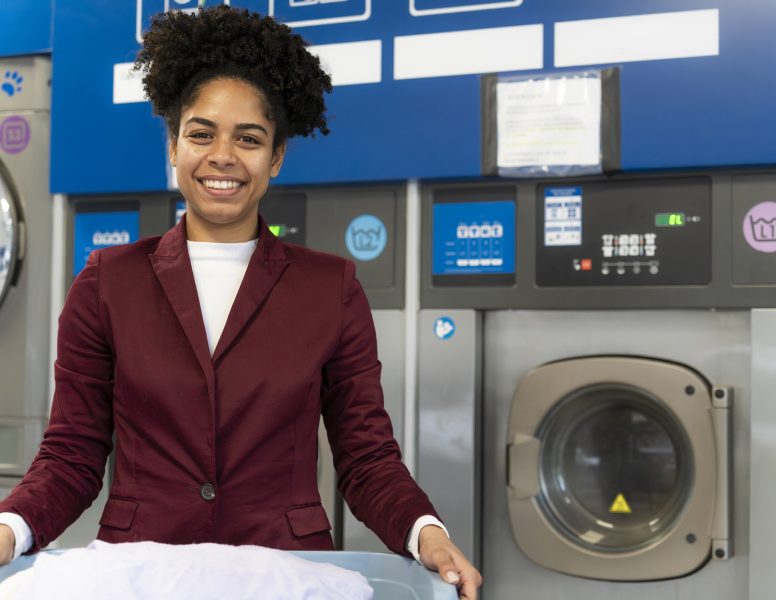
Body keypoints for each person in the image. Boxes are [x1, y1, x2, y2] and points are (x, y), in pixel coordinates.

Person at [0, 5, 482, 599]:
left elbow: (366, 456)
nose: (222, 156)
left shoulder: (330, 289)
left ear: (275, 157)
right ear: (173, 144)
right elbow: (72, 455)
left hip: (285, 573)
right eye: (201, 133)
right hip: (141, 572)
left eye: (248, 139)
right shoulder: (107, 281)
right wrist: (9, 528)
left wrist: (424, 532)